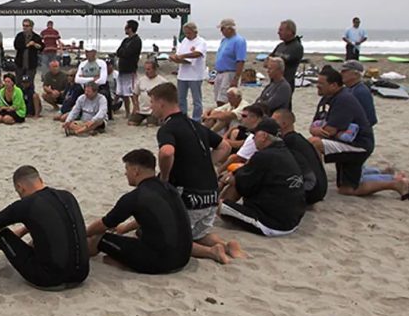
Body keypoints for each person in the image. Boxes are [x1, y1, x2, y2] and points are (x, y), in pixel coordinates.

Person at [0, 165, 88, 290]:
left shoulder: (26, 205)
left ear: (20, 187)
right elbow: (45, 223)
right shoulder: (67, 196)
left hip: (49, 279)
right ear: (40, 179)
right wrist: (20, 232)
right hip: (81, 273)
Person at [149, 82, 244, 265]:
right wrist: (207, 164)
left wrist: (165, 178)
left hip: (190, 196)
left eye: (152, 102)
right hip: (211, 194)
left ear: (161, 102)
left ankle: (212, 252)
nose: (151, 106)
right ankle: (225, 245)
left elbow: (167, 152)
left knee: (169, 239)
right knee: (198, 233)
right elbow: (224, 146)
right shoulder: (195, 125)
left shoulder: (168, 128)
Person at [309, 67, 409, 199]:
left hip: (358, 145)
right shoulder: (327, 98)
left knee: (314, 143)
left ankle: (395, 183)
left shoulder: (343, 99)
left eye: (321, 84)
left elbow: (328, 131)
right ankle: (389, 176)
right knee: (345, 187)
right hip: (343, 142)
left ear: (334, 85)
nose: (317, 86)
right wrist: (315, 129)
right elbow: (314, 126)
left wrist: (317, 130)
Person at [84, 149, 191, 274]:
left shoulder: (135, 197)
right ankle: (121, 261)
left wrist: (84, 233)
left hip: (162, 262)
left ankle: (83, 252)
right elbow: (153, 216)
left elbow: (105, 224)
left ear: (135, 171)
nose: (125, 173)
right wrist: (125, 228)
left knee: (98, 237)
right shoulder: (169, 188)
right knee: (140, 233)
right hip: (183, 258)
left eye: (127, 168)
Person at [218, 119, 306, 236]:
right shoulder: (284, 152)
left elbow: (242, 183)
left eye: (255, 135)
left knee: (219, 205)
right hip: (291, 220)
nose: (253, 139)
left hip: (272, 224)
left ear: (264, 136)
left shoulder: (264, 156)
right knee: (239, 178)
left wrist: (226, 179)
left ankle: (221, 206)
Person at [273, 109, 328, 205]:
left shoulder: (289, 142)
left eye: (274, 121)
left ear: (284, 124)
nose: (271, 123)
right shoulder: (299, 139)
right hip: (320, 188)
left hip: (311, 191)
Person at [169, 22, 208, 122]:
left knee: (196, 100)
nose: (187, 35)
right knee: (181, 98)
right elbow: (179, 54)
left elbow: (198, 53)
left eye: (189, 33)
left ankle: (197, 119)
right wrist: (175, 58)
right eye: (185, 33)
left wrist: (183, 56)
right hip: (182, 74)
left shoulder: (201, 41)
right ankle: (183, 118)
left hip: (195, 75)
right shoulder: (184, 41)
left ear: (194, 31)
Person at [213, 19, 246, 106]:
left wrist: (236, 78)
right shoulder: (224, 40)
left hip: (229, 73)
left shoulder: (239, 41)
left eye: (223, 29)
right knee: (217, 97)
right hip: (220, 72)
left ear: (229, 29)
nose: (221, 31)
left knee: (224, 99)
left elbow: (240, 60)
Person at [270, 19, 304, 102]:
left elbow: (284, 62)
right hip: (274, 82)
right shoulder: (280, 46)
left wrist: (275, 61)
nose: (278, 32)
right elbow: (268, 60)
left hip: (286, 82)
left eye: (281, 30)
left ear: (289, 31)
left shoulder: (297, 47)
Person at [115, 20, 143, 117]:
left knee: (132, 92)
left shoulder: (136, 40)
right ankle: (127, 112)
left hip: (130, 69)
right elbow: (118, 52)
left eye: (126, 27)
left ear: (130, 28)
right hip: (122, 70)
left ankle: (136, 110)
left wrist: (123, 52)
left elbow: (128, 53)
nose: (125, 29)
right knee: (124, 93)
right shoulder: (126, 40)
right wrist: (122, 52)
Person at [128, 60, 168, 127]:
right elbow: (135, 93)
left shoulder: (162, 81)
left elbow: (167, 97)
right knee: (131, 123)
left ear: (154, 69)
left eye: (149, 69)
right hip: (141, 109)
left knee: (151, 125)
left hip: (154, 110)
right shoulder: (141, 80)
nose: (147, 71)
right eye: (145, 69)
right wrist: (136, 105)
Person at [340, 60, 377, 126]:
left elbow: (371, 119)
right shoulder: (349, 89)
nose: (341, 74)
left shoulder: (360, 92)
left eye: (344, 71)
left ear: (356, 74)